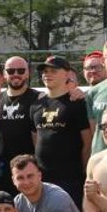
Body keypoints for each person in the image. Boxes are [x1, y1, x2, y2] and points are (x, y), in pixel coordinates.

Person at [30, 55, 92, 202]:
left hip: (71, 178)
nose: (47, 74)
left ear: (67, 74)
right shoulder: (35, 105)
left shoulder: (77, 103)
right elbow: (36, 140)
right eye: (45, 71)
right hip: (42, 178)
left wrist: (85, 173)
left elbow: (88, 142)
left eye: (53, 71)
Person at [0, 56, 41, 193]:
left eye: (21, 71)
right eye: (11, 71)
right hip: (0, 169)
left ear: (27, 73)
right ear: (4, 74)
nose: (16, 74)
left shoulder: (39, 98)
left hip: (27, 171)